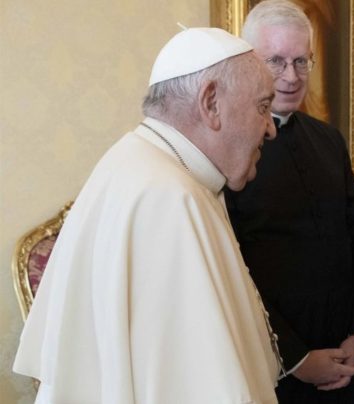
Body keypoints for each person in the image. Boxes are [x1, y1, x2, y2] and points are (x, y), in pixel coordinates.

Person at [13, 28, 281, 404]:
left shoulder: (141, 162)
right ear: (211, 103)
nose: (271, 128)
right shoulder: (170, 199)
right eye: (263, 107)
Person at [224, 1, 354, 402]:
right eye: (275, 61)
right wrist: (296, 359)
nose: (291, 77)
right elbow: (233, 270)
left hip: (344, 356)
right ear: (249, 63)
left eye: (301, 61)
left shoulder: (329, 139)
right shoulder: (227, 154)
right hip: (274, 366)